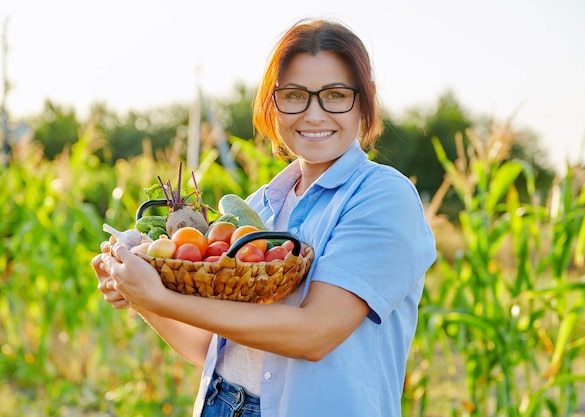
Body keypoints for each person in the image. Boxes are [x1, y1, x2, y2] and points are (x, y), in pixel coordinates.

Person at [92, 18, 436, 417]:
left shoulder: (382, 196)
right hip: (223, 403)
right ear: (273, 103)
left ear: (365, 99)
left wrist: (160, 298)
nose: (313, 114)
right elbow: (210, 348)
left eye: (335, 95)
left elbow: (316, 333)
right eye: (294, 96)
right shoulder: (259, 208)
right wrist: (140, 297)